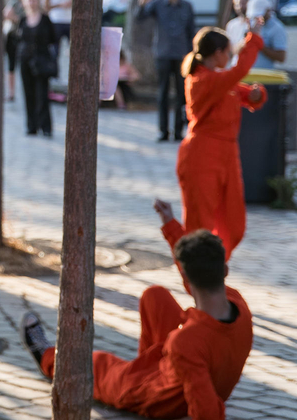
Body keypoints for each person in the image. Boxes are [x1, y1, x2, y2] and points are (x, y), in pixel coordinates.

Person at [22, 225, 252, 420]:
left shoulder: (186, 342)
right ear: (224, 270)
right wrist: (170, 225)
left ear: (186, 279)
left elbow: (206, 414)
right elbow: (196, 278)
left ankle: (47, 357)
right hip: (192, 362)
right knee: (156, 296)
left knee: (95, 363)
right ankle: (143, 365)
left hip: (165, 398)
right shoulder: (238, 303)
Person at [171, 26, 266, 259]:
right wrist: (253, 39)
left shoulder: (219, 80)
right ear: (218, 53)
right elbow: (240, 70)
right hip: (201, 155)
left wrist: (257, 94)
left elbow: (243, 91)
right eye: (228, 51)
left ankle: (212, 269)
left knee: (234, 223)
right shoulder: (201, 80)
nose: (230, 55)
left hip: (226, 154)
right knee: (199, 224)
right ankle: (196, 274)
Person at [137, 0, 198, 141]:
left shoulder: (186, 6)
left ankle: (178, 130)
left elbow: (191, 31)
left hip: (181, 55)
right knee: (163, 93)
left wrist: (194, 54)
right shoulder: (156, 4)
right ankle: (163, 131)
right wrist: (141, 4)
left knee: (182, 94)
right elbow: (139, 17)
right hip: (163, 54)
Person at [11, 0, 59, 137]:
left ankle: (45, 127)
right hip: (25, 61)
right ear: (24, 3)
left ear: (38, 1)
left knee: (42, 94)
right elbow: (17, 39)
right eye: (28, 0)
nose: (31, 2)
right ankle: (31, 126)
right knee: (28, 94)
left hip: (41, 61)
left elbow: (53, 39)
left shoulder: (45, 20)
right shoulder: (23, 20)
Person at [244, 0, 287, 69]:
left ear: (268, 10)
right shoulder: (249, 23)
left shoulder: (277, 28)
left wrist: (259, 44)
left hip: (264, 75)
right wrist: (247, 39)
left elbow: (281, 57)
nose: (257, 17)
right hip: (247, 73)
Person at [3, 0, 25, 103]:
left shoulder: (28, 4)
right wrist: (15, 18)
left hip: (24, 40)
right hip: (12, 37)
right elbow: (6, 14)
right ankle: (11, 93)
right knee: (11, 66)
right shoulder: (14, 2)